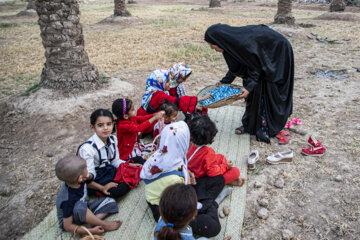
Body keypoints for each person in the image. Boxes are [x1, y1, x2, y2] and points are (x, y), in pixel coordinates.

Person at [204, 24, 294, 143]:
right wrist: (223, 83)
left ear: (219, 41)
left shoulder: (242, 44)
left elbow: (256, 67)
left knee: (266, 89)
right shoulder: (230, 45)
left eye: (212, 44)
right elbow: (236, 67)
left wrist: (249, 88)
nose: (212, 48)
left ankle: (266, 127)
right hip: (259, 58)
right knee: (252, 89)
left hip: (276, 52)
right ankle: (250, 125)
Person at [78, 109, 143, 199]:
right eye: (100, 125)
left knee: (139, 160)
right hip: (98, 178)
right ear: (92, 127)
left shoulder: (112, 139)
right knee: (118, 190)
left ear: (113, 124)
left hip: (109, 170)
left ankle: (131, 177)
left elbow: (115, 161)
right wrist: (102, 187)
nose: (105, 128)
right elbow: (88, 177)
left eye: (108, 124)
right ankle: (129, 179)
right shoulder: (87, 149)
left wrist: (128, 164)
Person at [137, 63, 212, 134]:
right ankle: (151, 131)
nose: (169, 83)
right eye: (167, 81)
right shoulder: (159, 95)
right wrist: (199, 99)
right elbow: (178, 101)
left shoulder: (152, 90)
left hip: (143, 118)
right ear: (160, 82)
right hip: (147, 123)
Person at [55, 155, 121, 235]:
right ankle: (102, 225)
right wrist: (92, 232)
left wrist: (102, 188)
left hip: (85, 208)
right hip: (72, 220)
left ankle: (88, 226)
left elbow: (88, 183)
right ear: (80, 178)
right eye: (86, 168)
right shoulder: (67, 200)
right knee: (80, 206)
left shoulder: (76, 181)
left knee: (110, 202)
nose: (88, 170)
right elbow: (67, 226)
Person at [140, 121, 191, 222]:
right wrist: (188, 181)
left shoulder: (160, 155)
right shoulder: (175, 179)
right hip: (160, 206)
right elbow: (180, 198)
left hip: (158, 194)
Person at [186, 114, 246, 186]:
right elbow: (212, 173)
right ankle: (227, 182)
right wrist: (226, 166)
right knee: (235, 171)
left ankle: (227, 179)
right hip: (200, 179)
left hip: (189, 171)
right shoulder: (208, 152)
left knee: (220, 157)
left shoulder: (190, 144)